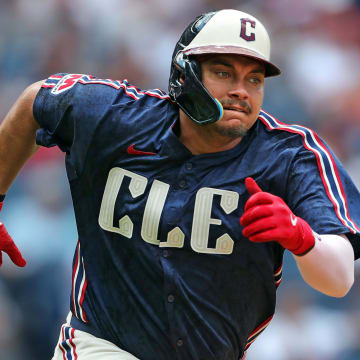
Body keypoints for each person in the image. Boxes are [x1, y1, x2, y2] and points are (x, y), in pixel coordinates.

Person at [0, 8, 359, 360]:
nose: (241, 91)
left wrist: (302, 238)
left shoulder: (292, 156)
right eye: (223, 72)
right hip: (101, 345)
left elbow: (340, 278)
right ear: (184, 75)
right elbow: (38, 100)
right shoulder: (116, 118)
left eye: (254, 79)